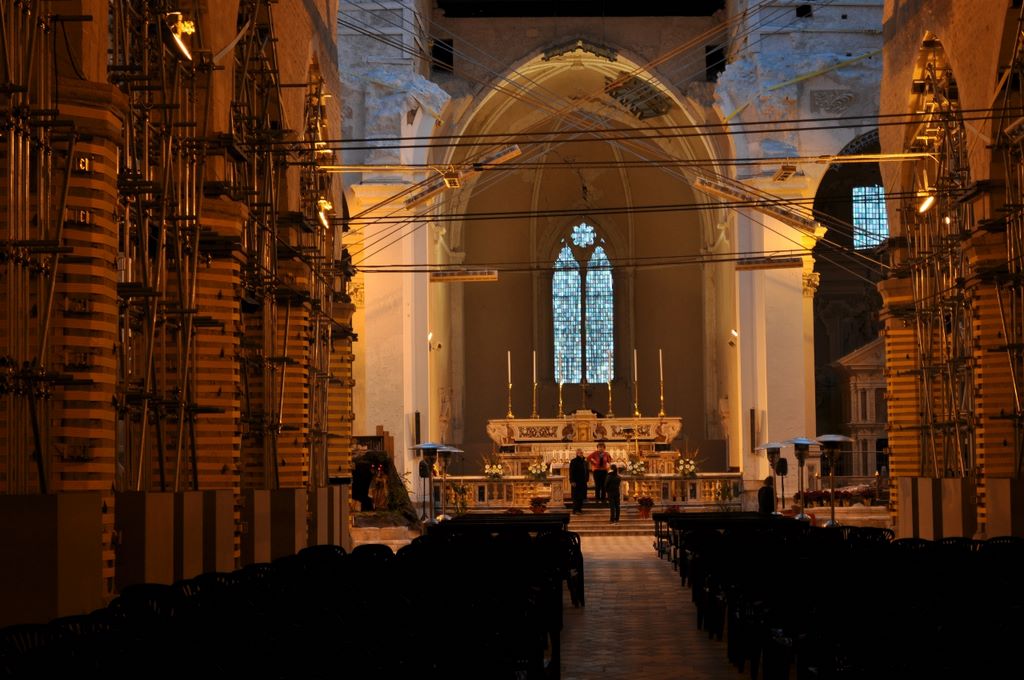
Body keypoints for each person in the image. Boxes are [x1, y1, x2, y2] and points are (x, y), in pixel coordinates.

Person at [568, 448, 590, 514]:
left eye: (582, 453)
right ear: (577, 454)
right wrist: (572, 481)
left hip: (583, 481)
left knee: (581, 496)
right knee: (576, 496)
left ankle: (579, 509)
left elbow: (587, 471)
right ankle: (575, 510)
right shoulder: (573, 461)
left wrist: (587, 479)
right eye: (580, 453)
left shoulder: (585, 462)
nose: (581, 454)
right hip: (576, 481)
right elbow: (571, 472)